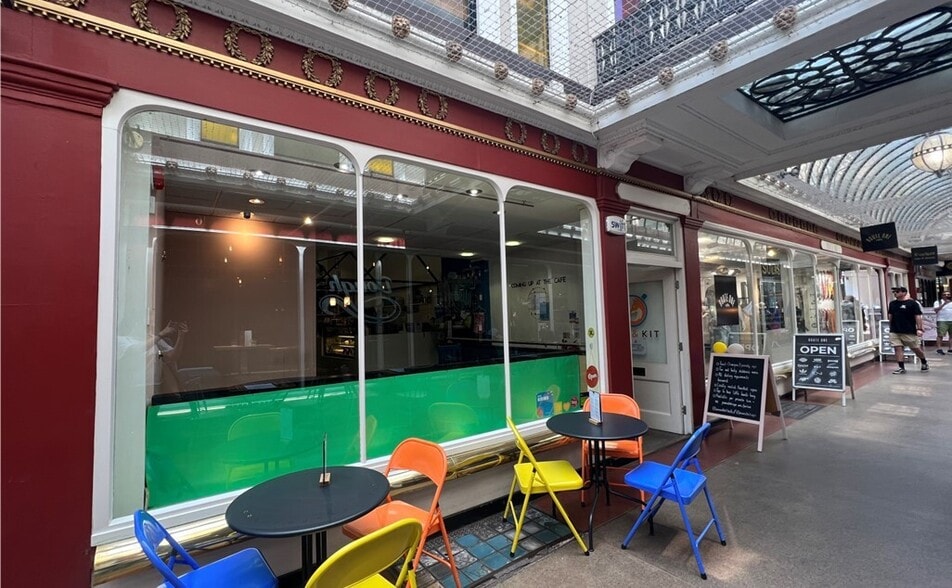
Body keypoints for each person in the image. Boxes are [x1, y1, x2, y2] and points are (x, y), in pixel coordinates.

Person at [887, 287, 928, 373]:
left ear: (904, 293)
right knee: (897, 348)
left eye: (897, 291)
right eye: (894, 292)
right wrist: (890, 326)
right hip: (895, 330)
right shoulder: (892, 304)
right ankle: (901, 367)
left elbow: (918, 316)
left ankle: (923, 361)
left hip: (909, 330)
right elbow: (890, 315)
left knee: (915, 348)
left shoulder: (912, 304)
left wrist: (919, 328)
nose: (895, 293)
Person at [935, 290, 952, 355]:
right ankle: (939, 349)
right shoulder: (938, 302)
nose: (946, 296)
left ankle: (950, 349)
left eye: (948, 294)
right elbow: (936, 310)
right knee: (940, 335)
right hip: (942, 320)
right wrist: (944, 304)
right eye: (945, 294)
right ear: (942, 296)